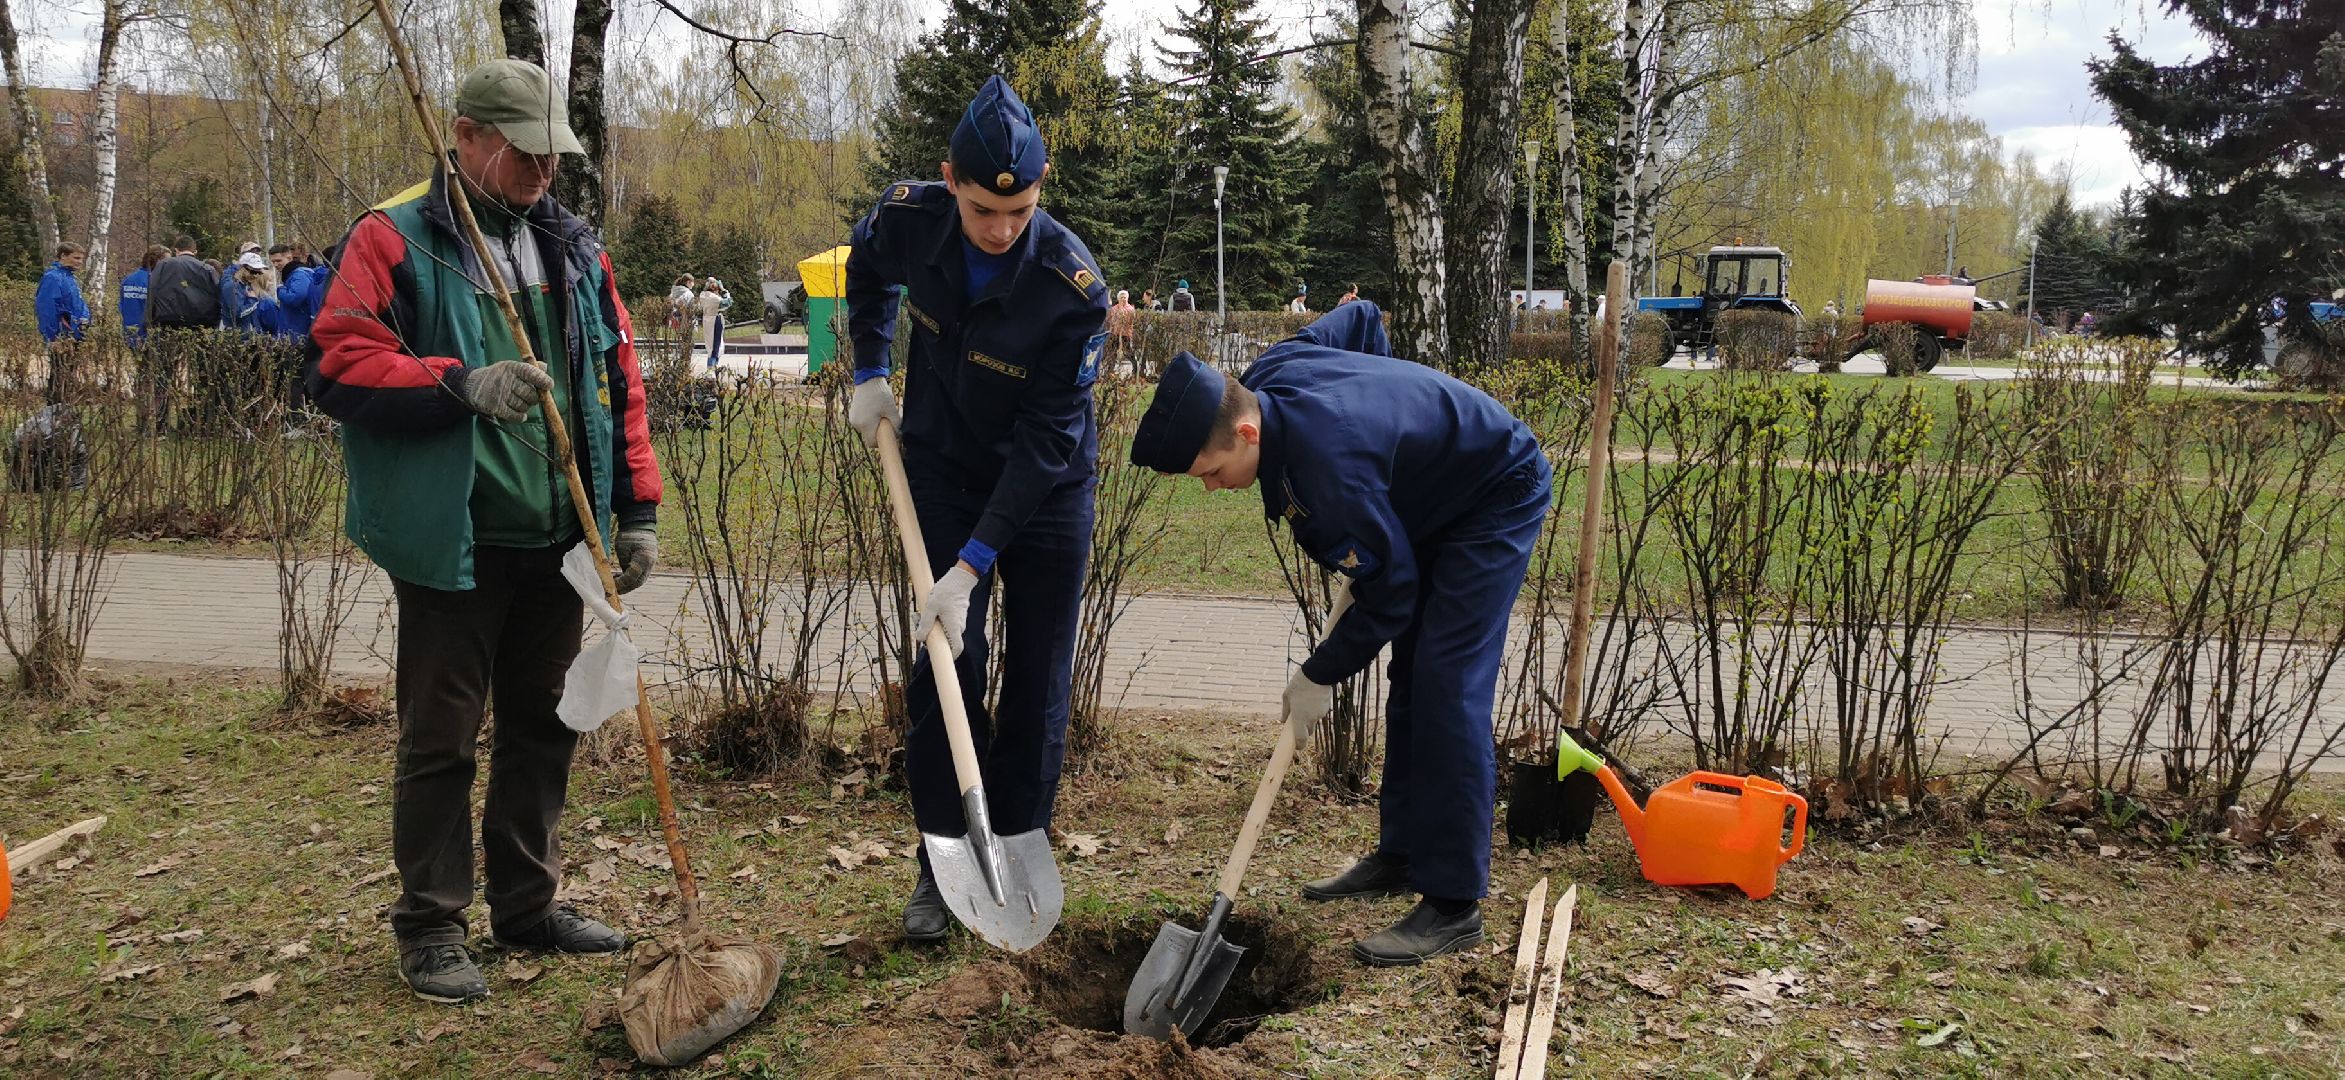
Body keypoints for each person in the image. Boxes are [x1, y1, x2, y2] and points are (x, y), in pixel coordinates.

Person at [304, 57, 662, 1005]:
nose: (545, 171)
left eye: (554, 155)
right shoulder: (394, 237)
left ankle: (527, 907)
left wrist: (636, 510)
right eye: (525, 152)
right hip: (451, 542)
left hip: (558, 538)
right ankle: (430, 925)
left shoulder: (572, 248)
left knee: (544, 727)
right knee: (441, 739)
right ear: (463, 137)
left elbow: (618, 383)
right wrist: (456, 382)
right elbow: (336, 359)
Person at [1129, 301, 1552, 967]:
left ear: (1246, 430)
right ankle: (1404, 854)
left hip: (1495, 491)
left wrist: (1320, 672)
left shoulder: (1328, 475)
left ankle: (1453, 905)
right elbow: (1362, 319)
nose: (1211, 489)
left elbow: (1392, 595)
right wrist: (1387, 458)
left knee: (1445, 684)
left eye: (1211, 472)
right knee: (1411, 677)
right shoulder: (1271, 372)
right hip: (1432, 497)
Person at [845, 74, 1107, 944]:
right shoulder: (908, 220)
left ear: (1041, 190)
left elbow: (1046, 443)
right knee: (945, 667)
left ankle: (1019, 849)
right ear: (949, 178)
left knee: (1037, 677)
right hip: (943, 467)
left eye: (1019, 211)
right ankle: (943, 863)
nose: (1000, 230)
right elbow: (865, 271)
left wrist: (970, 566)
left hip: (1045, 490)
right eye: (983, 210)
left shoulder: (1072, 288)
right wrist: (870, 368)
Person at [144, 236, 225, 431]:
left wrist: (149, 320)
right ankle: (202, 420)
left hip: (167, 323)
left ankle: (160, 424)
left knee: (163, 374)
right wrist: (214, 326)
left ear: (176, 250)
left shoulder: (163, 265)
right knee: (202, 374)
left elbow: (152, 291)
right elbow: (217, 297)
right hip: (200, 326)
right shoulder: (206, 269)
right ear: (195, 251)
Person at [35, 242, 91, 404]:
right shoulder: (53, 278)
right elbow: (47, 309)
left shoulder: (69, 277)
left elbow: (76, 304)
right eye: (76, 258)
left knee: (68, 376)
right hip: (62, 335)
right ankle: (55, 410)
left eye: (81, 259)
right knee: (60, 375)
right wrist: (52, 337)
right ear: (63, 256)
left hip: (75, 333)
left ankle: (64, 410)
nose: (79, 262)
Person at [120, 244, 162, 350]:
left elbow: (121, 305)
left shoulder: (128, 279)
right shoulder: (154, 281)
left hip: (129, 331)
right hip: (148, 334)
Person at [697, 277, 729, 369]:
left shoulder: (703, 295)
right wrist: (724, 291)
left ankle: (712, 366)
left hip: (707, 319)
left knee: (710, 345)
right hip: (715, 320)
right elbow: (727, 303)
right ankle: (712, 367)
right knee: (715, 345)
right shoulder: (713, 298)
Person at [1108, 288, 1137, 372]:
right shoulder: (1114, 308)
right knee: (1112, 352)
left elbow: (1131, 321)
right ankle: (1110, 370)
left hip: (1126, 334)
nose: (1123, 299)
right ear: (1118, 299)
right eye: (1121, 297)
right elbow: (1111, 320)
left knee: (1127, 352)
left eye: (1125, 297)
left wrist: (1122, 310)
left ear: (1127, 298)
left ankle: (1135, 368)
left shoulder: (1130, 309)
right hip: (1115, 333)